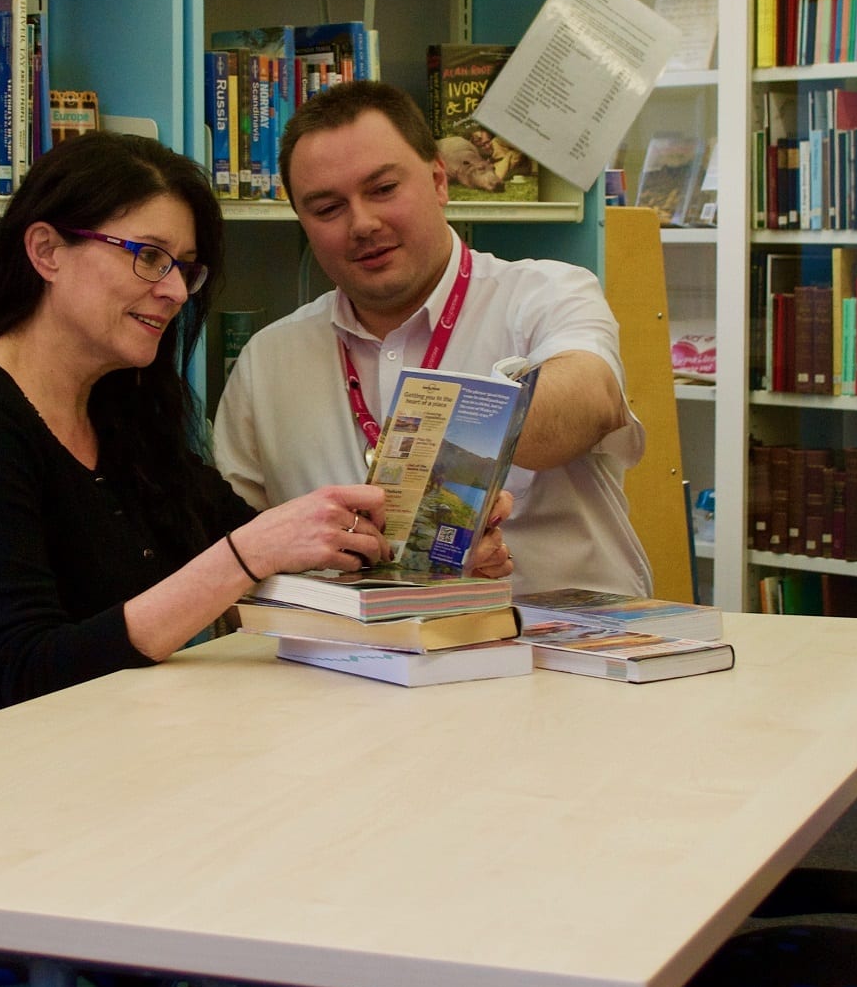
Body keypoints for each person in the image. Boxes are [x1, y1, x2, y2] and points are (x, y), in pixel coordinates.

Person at [0, 132, 512, 987]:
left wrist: (412, 545)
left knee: (370, 832)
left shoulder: (127, 406)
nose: (171, 289)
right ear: (46, 250)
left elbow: (255, 565)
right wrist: (250, 548)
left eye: (187, 266)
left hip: (113, 769)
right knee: (335, 884)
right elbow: (25, 674)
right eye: (145, 255)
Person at [215, 79, 650, 599]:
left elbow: (591, 401)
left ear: (440, 181)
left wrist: (442, 483)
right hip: (348, 666)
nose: (363, 223)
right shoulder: (268, 361)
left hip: (556, 658)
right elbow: (235, 567)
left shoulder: (546, 293)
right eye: (328, 208)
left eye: (383, 189)